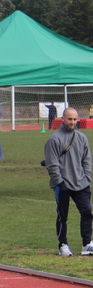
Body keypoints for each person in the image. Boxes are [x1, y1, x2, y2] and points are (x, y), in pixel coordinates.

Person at [44, 107, 93, 256]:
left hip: (81, 183)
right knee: (62, 216)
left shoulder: (82, 138)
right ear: (63, 119)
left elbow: (87, 160)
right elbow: (52, 164)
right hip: (63, 185)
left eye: (74, 119)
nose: (72, 122)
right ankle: (63, 245)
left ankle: (86, 244)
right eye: (69, 119)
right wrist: (60, 183)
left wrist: (87, 178)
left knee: (87, 212)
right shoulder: (54, 139)